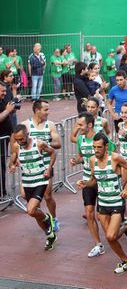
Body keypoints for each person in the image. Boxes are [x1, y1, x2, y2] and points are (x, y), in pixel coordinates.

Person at [76, 133, 127, 274]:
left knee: (110, 236)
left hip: (116, 201)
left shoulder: (114, 158)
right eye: (94, 147)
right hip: (102, 203)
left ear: (106, 146)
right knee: (111, 238)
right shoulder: (92, 160)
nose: (96, 150)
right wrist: (85, 183)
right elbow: (93, 180)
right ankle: (125, 261)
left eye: (99, 147)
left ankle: (125, 227)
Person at [70, 112, 118, 257]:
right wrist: (76, 161)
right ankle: (98, 245)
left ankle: (119, 230)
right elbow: (82, 157)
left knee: (103, 216)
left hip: (104, 180)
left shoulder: (100, 139)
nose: (78, 127)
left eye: (80, 125)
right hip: (88, 180)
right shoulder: (80, 139)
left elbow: (114, 153)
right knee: (89, 213)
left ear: (89, 125)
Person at [9, 124, 57, 250]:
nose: (20, 142)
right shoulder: (16, 146)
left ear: (27, 135)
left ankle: (47, 219)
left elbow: (53, 153)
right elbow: (12, 161)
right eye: (17, 139)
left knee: (30, 210)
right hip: (27, 182)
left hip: (40, 181)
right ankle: (49, 234)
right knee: (35, 212)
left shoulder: (39, 144)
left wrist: (49, 168)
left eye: (22, 139)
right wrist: (12, 166)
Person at [21, 100, 61, 230]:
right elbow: (16, 144)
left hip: (45, 165)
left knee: (48, 196)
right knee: (27, 198)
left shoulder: (50, 125)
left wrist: (43, 144)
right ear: (37, 110)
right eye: (46, 110)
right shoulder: (25, 125)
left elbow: (57, 143)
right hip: (30, 168)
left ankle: (54, 219)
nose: (48, 112)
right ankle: (43, 220)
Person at [0, 83, 15, 197]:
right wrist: (7, 110)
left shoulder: (2, 101)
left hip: (4, 139)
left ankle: (2, 191)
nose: (4, 93)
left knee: (2, 166)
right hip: (1, 139)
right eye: (2, 91)